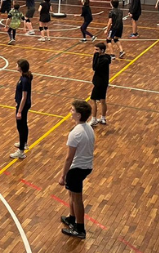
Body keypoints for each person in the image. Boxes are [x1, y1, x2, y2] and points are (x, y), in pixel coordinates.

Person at [59, 100, 96, 240]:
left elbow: (69, 158)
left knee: (77, 198)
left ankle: (80, 228)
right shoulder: (88, 128)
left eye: (72, 110)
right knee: (72, 194)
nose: (70, 111)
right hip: (86, 166)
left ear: (79, 115)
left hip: (77, 169)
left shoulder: (75, 133)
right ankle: (71, 218)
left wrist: (63, 175)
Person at [10, 59, 33, 159]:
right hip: (23, 105)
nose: (16, 66)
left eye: (17, 65)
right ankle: (23, 143)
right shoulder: (24, 77)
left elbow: (24, 96)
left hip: (22, 106)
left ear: (20, 67)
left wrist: (19, 111)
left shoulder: (24, 80)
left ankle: (21, 152)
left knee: (21, 126)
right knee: (23, 125)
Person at [89, 43, 111, 126]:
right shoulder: (107, 57)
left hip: (99, 82)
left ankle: (94, 119)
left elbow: (94, 67)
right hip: (104, 82)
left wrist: (95, 56)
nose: (95, 51)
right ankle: (103, 118)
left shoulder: (103, 59)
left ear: (102, 50)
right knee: (102, 100)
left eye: (97, 50)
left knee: (93, 100)